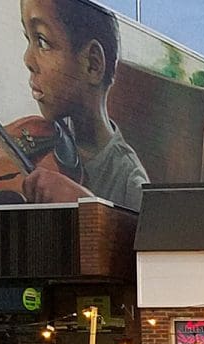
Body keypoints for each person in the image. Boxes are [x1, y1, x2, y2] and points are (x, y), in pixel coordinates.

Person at [19, 0, 148, 209]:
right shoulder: (52, 134)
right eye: (28, 39)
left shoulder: (129, 183)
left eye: (42, 41)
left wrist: (86, 203)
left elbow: (130, 241)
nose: (28, 59)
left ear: (92, 64)